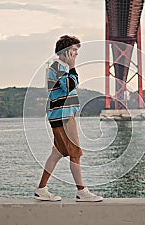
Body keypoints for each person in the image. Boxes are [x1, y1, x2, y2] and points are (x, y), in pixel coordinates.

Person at [34, 35, 103, 202]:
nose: (76, 54)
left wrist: (72, 69)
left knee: (57, 153)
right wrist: (73, 67)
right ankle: (82, 191)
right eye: (73, 51)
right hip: (63, 116)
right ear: (65, 52)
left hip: (62, 114)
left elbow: (73, 84)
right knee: (75, 153)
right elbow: (70, 86)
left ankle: (41, 189)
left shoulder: (60, 67)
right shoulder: (58, 67)